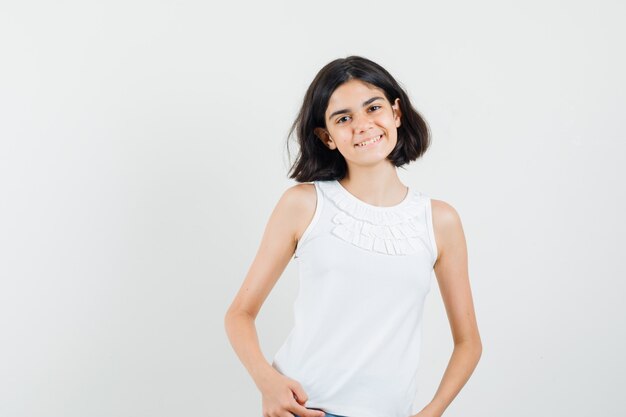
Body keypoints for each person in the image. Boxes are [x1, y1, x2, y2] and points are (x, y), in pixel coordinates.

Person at [224, 56, 482, 417]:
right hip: (303, 408)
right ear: (326, 137)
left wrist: (432, 411)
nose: (362, 125)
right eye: (343, 118)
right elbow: (239, 314)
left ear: (396, 113)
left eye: (373, 108)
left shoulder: (439, 220)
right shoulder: (303, 204)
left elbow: (468, 342)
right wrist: (268, 382)